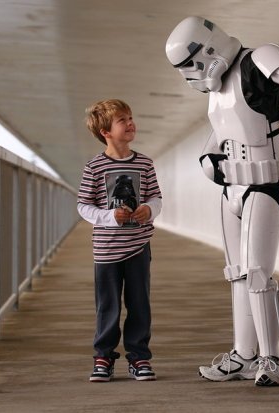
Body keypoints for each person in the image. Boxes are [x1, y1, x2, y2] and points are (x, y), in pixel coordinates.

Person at [165, 16, 279, 386]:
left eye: (190, 64)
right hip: (233, 189)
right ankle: (243, 354)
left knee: (257, 273)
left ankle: (272, 359)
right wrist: (209, 158)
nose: (190, 74)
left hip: (265, 185)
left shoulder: (257, 60)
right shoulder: (218, 89)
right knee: (237, 274)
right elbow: (223, 129)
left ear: (206, 48)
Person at [77, 98, 163, 382]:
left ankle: (139, 358)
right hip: (106, 250)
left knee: (140, 304)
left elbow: (156, 197)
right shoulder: (94, 166)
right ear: (105, 132)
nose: (130, 123)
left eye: (130, 118)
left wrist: (149, 209)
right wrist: (109, 216)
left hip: (138, 246)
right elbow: (83, 205)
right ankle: (103, 356)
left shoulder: (145, 163)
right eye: (122, 120)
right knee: (108, 306)